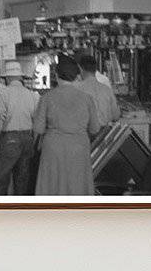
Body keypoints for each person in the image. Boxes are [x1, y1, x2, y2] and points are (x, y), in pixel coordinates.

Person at [32, 54, 101, 195]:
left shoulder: (47, 98)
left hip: (53, 148)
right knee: (77, 184)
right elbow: (95, 128)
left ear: (56, 76)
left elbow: (38, 128)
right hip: (79, 147)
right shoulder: (87, 99)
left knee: (53, 185)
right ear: (77, 76)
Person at [0, 60, 39, 195]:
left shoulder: (4, 93)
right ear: (21, 77)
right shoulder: (32, 94)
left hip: (9, 139)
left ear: (8, 77)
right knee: (22, 179)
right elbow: (36, 120)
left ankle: (0, 213)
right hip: (27, 138)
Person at [74, 53, 120, 127]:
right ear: (95, 69)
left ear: (80, 68)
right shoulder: (106, 90)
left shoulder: (76, 89)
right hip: (105, 134)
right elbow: (116, 115)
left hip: (84, 134)